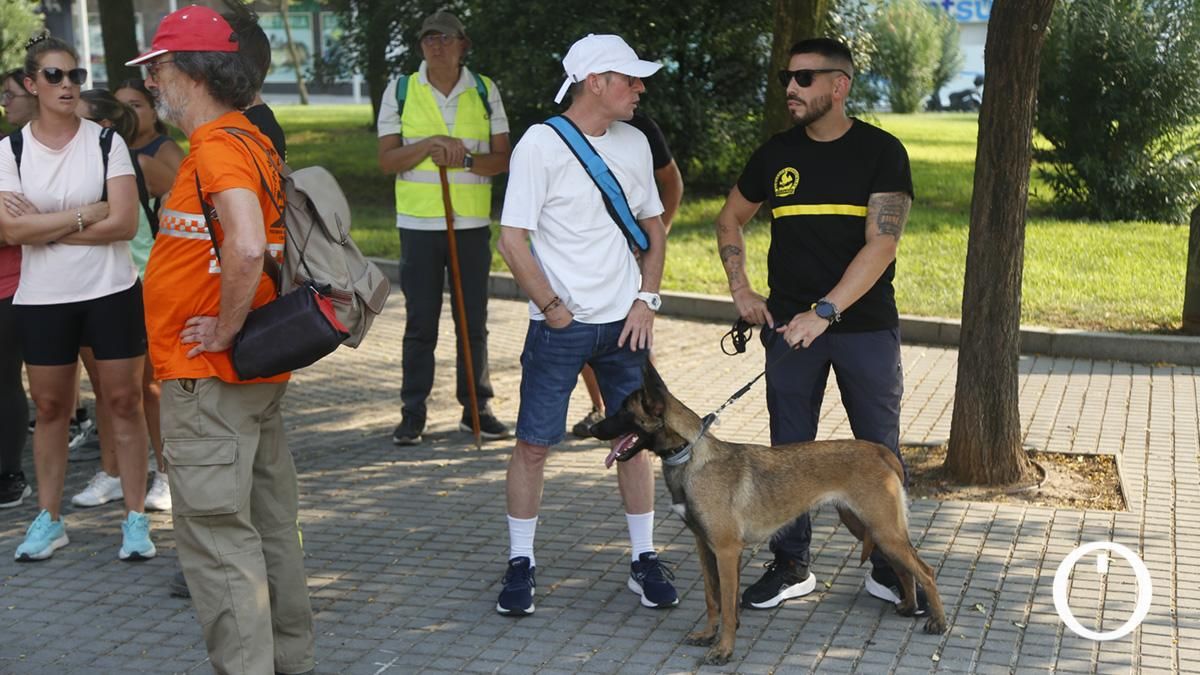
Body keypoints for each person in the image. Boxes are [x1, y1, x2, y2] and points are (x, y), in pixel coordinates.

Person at [127, 6, 315, 673]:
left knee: (216, 537)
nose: (154, 82)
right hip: (244, 377)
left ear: (194, 71)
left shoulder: (214, 147)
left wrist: (226, 326)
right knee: (268, 528)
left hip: (209, 376)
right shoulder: (248, 138)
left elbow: (240, 242)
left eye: (159, 67)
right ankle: (287, 661)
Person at [714, 38, 918, 611]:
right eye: (787, 77)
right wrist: (742, 290)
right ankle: (791, 564)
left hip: (864, 327)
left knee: (876, 452)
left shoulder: (882, 152)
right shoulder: (775, 153)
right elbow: (730, 216)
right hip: (788, 330)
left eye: (804, 78)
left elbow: (883, 244)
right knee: (788, 454)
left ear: (839, 85)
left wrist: (825, 312)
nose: (791, 89)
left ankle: (888, 566)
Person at [494, 33, 672, 615]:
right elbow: (512, 238)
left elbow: (654, 224)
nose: (640, 88)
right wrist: (551, 306)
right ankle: (521, 561)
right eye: (630, 78)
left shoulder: (635, 141)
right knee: (533, 445)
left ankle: (643, 559)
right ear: (595, 81)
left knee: (636, 441)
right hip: (560, 326)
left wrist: (647, 299)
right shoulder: (539, 146)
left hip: (626, 323)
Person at [0, 35, 154, 562]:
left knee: (124, 403)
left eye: (75, 77)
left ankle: (135, 520)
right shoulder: (10, 151)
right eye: (54, 76)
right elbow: (11, 233)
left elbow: (126, 222)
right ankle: (49, 520)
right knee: (49, 409)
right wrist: (87, 213)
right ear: (30, 84)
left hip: (110, 291)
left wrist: (45, 227)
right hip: (42, 297)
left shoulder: (106, 142)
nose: (67, 85)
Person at [377, 10, 511, 446]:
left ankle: (476, 409)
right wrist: (430, 146)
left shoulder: (486, 91)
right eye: (429, 38)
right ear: (421, 46)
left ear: (462, 45)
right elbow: (387, 160)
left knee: (472, 322)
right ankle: (412, 413)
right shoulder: (400, 91)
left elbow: (503, 159)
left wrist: (465, 159)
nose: (437, 44)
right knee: (420, 323)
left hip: (470, 225)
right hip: (418, 225)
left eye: (446, 38)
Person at [68, 89, 173, 514]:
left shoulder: (141, 164)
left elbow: (192, 207)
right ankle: (112, 475)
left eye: (80, 119)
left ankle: (167, 475)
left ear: (105, 128)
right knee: (110, 391)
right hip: (90, 288)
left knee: (150, 388)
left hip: (143, 286)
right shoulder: (65, 170)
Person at [570, 111, 683, 437]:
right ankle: (600, 407)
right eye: (630, 79)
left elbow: (672, 182)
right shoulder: (564, 128)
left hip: (630, 256)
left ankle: (655, 410)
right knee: (587, 336)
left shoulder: (642, 126)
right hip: (584, 257)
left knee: (635, 340)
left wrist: (657, 234)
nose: (638, 88)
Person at [0, 69, 36, 509]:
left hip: (8, 288)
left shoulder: (9, 156)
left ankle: (9, 474)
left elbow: (14, 228)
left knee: (4, 380)